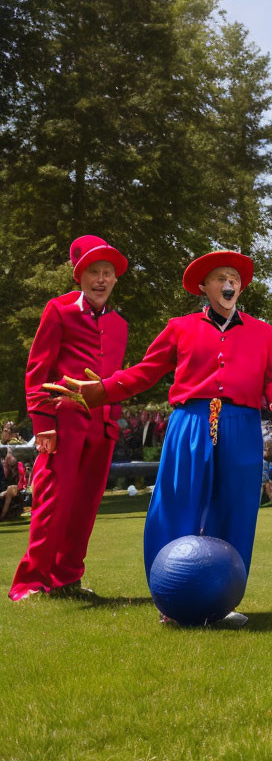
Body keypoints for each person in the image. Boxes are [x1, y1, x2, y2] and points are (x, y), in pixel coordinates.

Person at [53, 251, 272, 624]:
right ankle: (169, 598)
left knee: (235, 509)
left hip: (242, 424)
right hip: (190, 422)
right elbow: (145, 371)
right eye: (219, 278)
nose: (228, 283)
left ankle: (223, 601)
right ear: (204, 287)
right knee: (175, 506)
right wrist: (103, 390)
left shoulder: (263, 332)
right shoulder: (180, 327)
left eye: (233, 277)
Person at [10, 236, 128, 601]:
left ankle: (67, 579)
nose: (101, 279)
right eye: (94, 272)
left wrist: (113, 420)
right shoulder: (57, 310)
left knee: (86, 506)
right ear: (80, 276)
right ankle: (30, 582)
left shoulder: (121, 325)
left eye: (108, 273)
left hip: (103, 426)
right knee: (51, 502)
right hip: (63, 424)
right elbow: (37, 370)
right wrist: (43, 425)